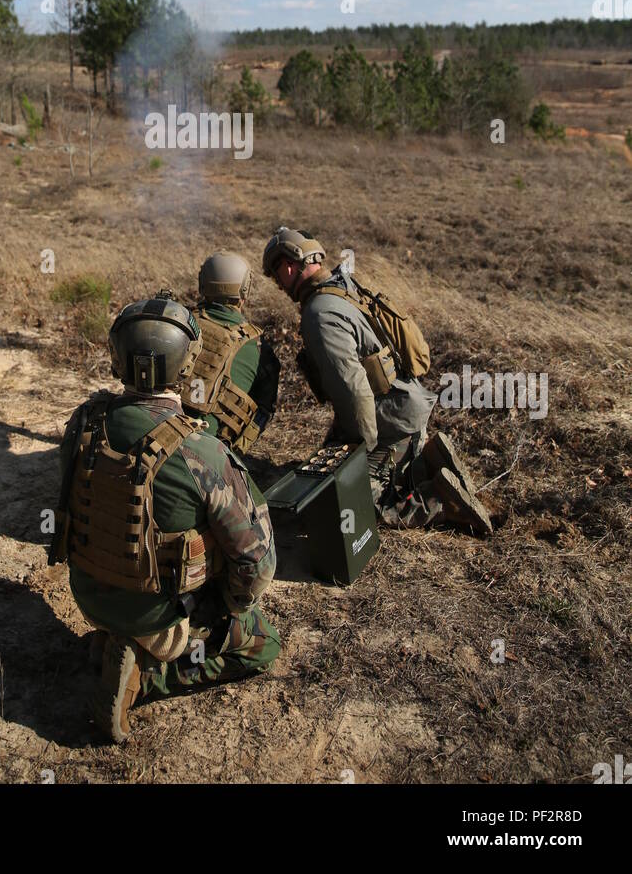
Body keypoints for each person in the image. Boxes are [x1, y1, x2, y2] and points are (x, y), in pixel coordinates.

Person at [50, 294, 280, 743]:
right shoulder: (203, 453)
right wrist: (227, 608)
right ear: (187, 363)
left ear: (118, 359)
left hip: (89, 595)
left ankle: (110, 642)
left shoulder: (83, 423)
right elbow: (258, 564)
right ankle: (147, 675)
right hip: (164, 617)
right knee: (262, 644)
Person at [261, 227, 493, 536]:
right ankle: (424, 463)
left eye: (277, 277)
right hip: (403, 404)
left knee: (333, 501)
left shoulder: (319, 314)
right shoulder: (342, 288)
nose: (278, 285)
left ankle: (439, 500)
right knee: (324, 469)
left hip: (388, 420)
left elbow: (353, 390)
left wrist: (353, 460)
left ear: (288, 266)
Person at [179, 251, 280, 453]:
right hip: (208, 457)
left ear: (202, 284)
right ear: (245, 290)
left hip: (157, 439)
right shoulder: (259, 349)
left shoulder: (177, 324)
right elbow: (262, 412)